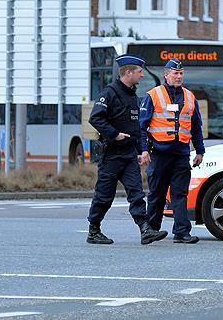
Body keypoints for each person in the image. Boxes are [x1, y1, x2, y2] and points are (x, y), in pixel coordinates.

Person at [86, 54, 167, 246]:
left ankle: (145, 230)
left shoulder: (133, 96)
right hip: (111, 154)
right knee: (104, 196)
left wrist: (141, 151)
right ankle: (93, 230)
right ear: (128, 72)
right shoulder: (109, 93)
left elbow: (135, 128)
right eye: (139, 71)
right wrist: (114, 134)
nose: (142, 75)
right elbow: (95, 118)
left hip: (129, 155)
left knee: (137, 194)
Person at [140, 59, 205, 244]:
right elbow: (141, 127)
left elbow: (196, 127)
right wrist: (143, 150)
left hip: (181, 154)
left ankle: (182, 232)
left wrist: (199, 151)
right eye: (175, 73)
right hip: (159, 153)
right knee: (157, 193)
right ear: (166, 75)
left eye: (181, 73)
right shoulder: (153, 95)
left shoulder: (190, 97)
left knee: (180, 194)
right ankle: (151, 230)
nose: (178, 76)